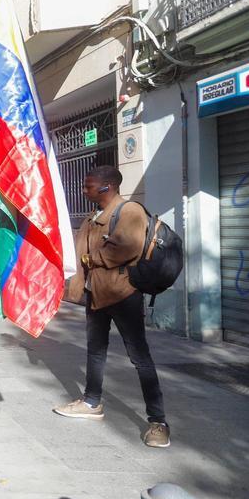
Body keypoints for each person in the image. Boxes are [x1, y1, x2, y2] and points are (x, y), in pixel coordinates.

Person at [58, 165, 169, 448]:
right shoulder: (92, 216)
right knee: (95, 352)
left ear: (107, 187)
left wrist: (89, 259)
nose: (84, 189)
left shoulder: (129, 211)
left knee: (140, 357)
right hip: (96, 294)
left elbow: (124, 249)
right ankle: (92, 402)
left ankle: (158, 422)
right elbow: (79, 250)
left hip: (123, 295)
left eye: (89, 185)